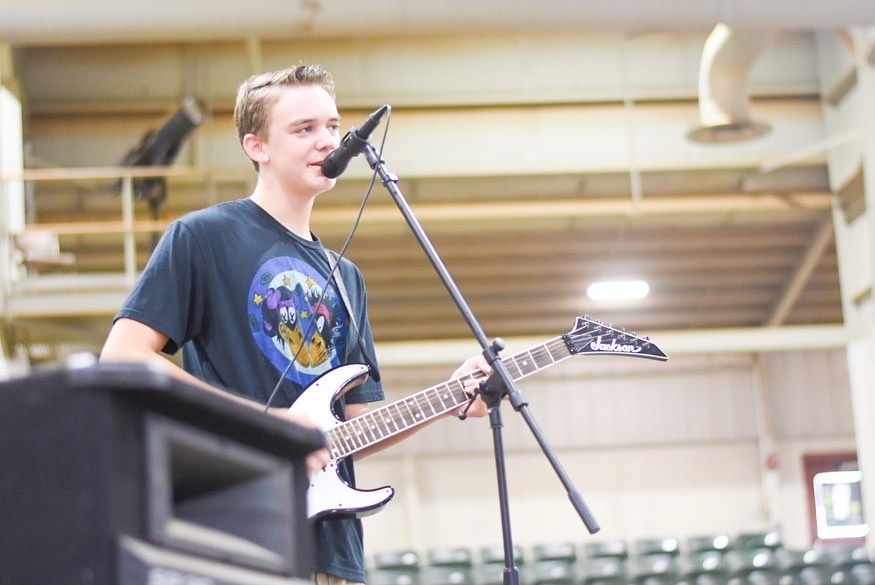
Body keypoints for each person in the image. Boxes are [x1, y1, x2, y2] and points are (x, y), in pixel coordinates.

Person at [99, 63, 490, 585]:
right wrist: (267, 426)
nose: (326, 141)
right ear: (255, 146)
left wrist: (449, 398)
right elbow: (124, 357)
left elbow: (355, 426)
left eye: (331, 126)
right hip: (235, 538)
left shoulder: (345, 277)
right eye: (303, 129)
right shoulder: (203, 237)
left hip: (332, 551)